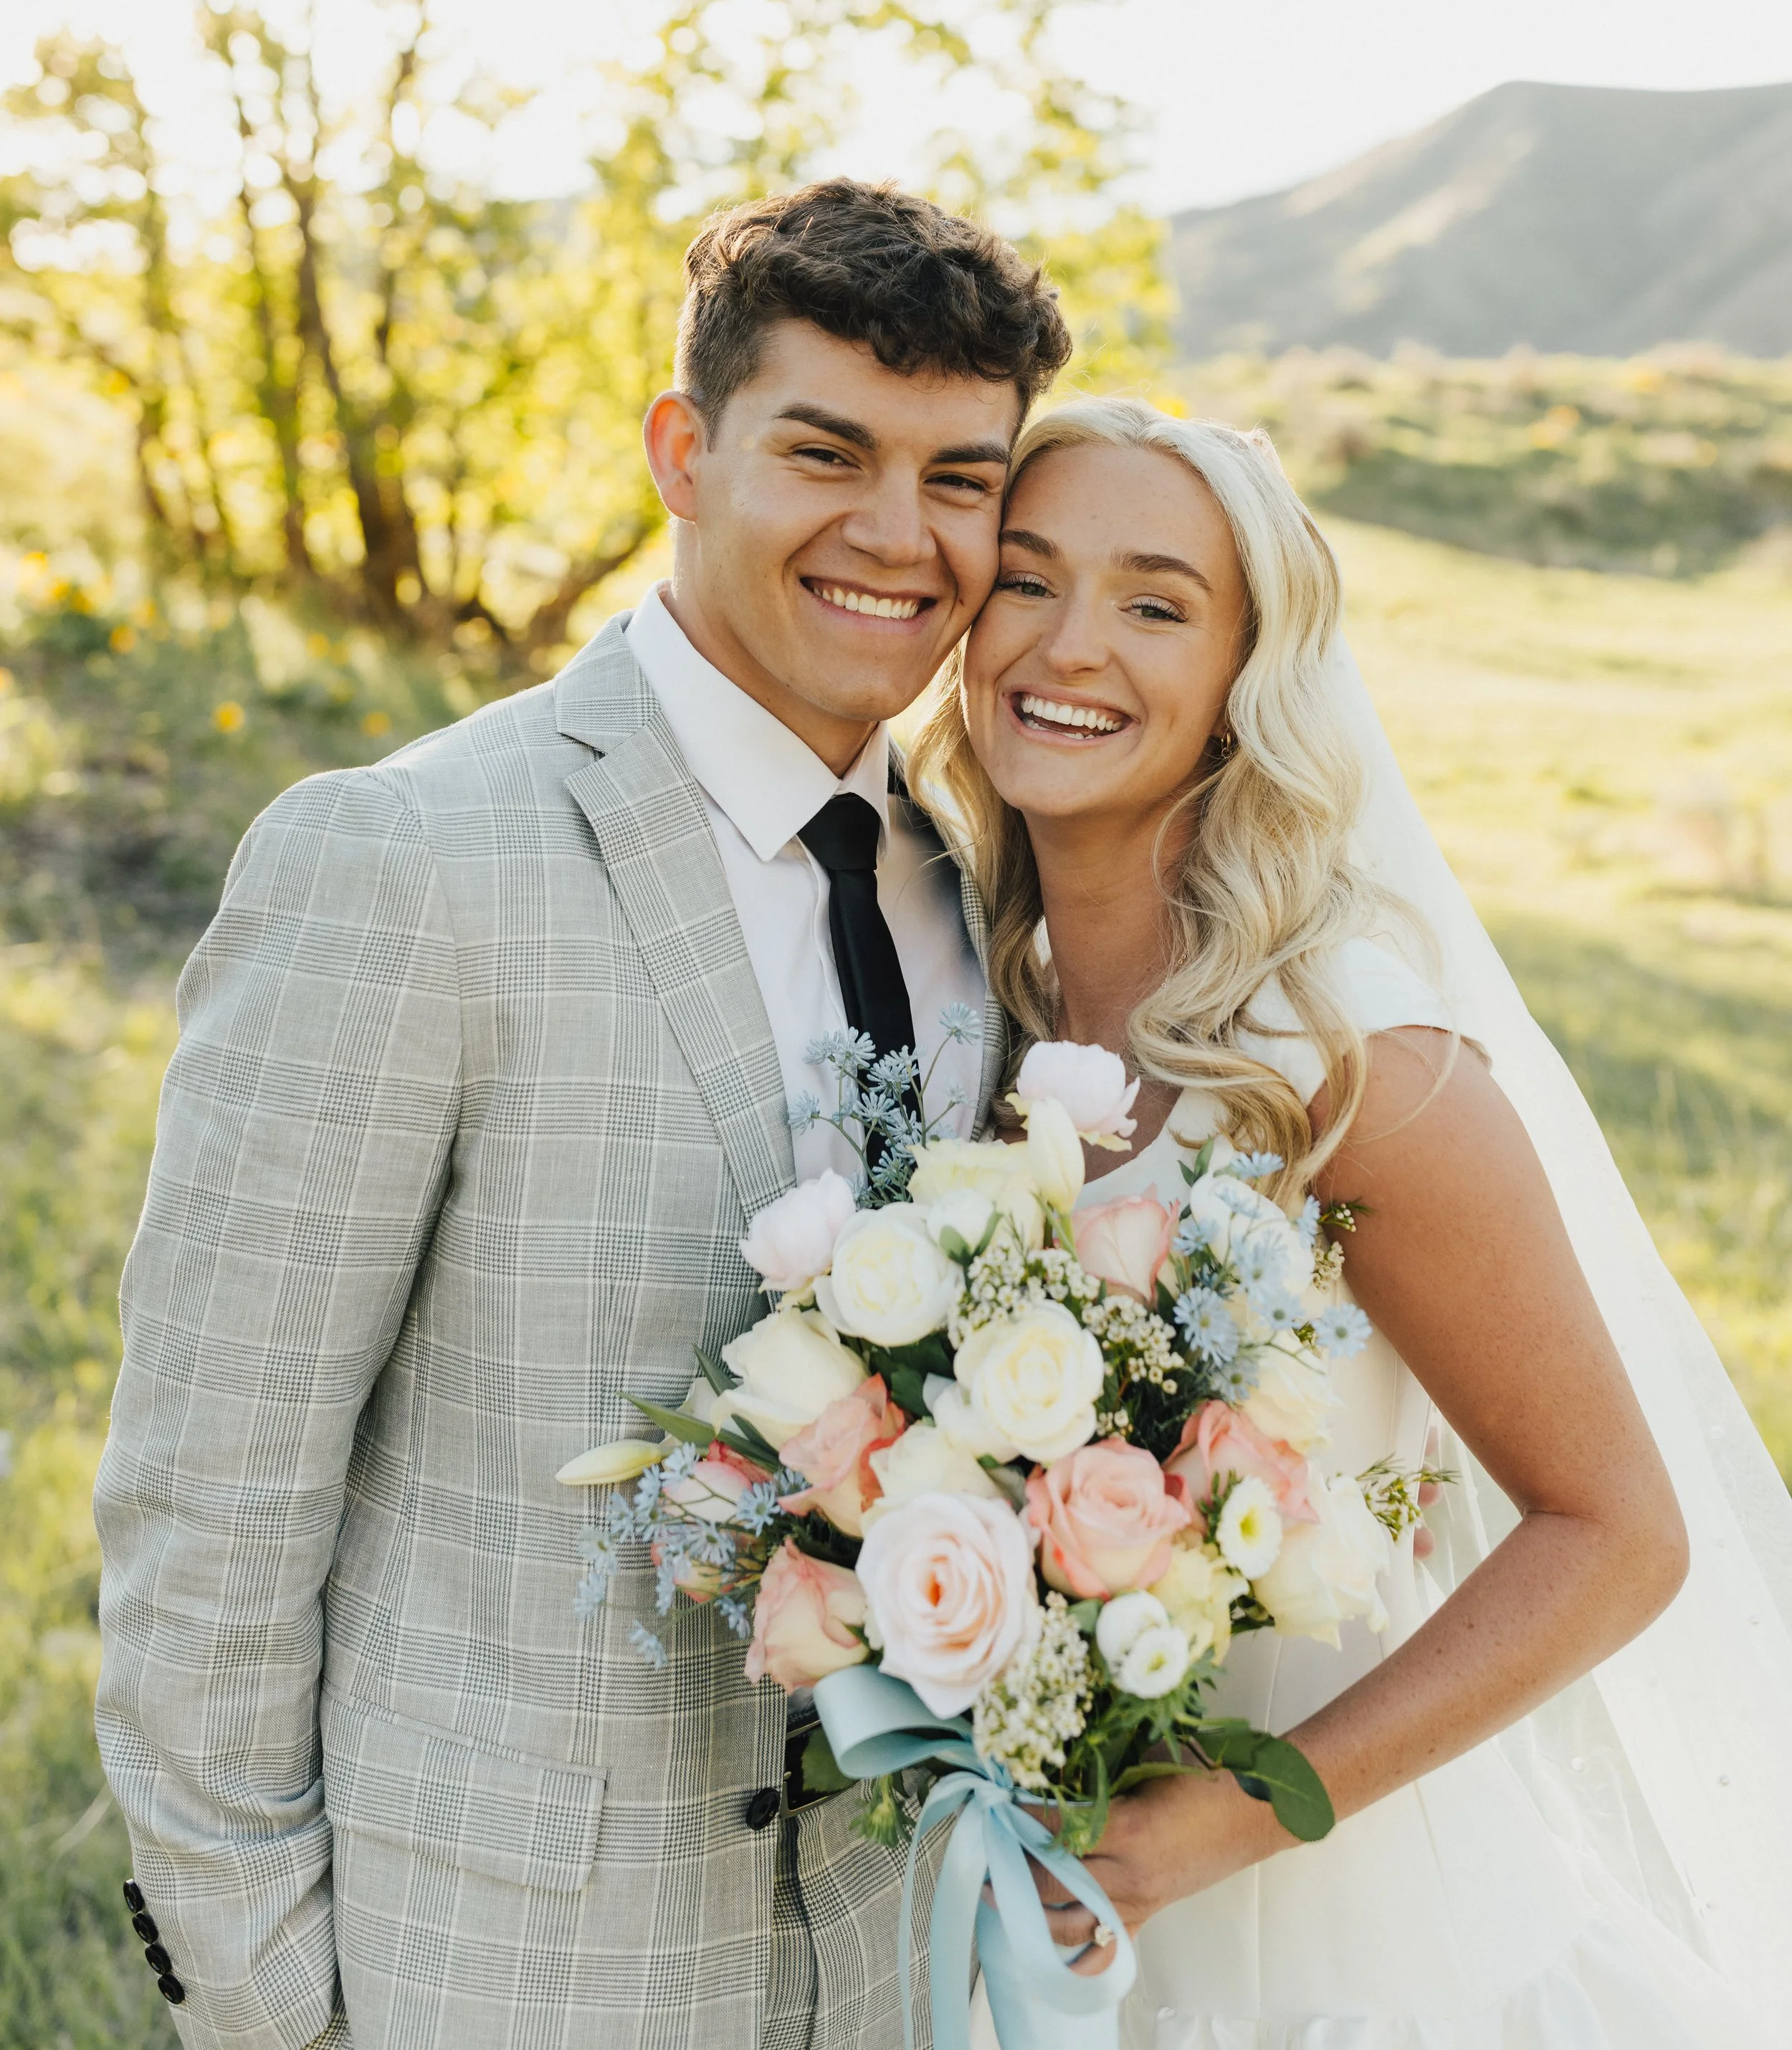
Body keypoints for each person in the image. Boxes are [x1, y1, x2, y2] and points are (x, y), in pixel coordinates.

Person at [92, 178, 1070, 2050]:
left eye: (960, 477)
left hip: (885, 1969)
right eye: (826, 450)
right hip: (495, 1973)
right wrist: (267, 2008)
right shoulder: (400, 862)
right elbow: (208, 1503)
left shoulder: (976, 890)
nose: (898, 533)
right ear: (680, 452)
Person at [910, 394, 1792, 2048]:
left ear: (1250, 684)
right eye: (1024, 580)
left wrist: (1208, 1827)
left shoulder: (1349, 1065)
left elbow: (1614, 1533)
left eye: (1156, 602)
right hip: (1050, 1955)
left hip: (1354, 1972)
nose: (1069, 642)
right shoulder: (971, 1032)